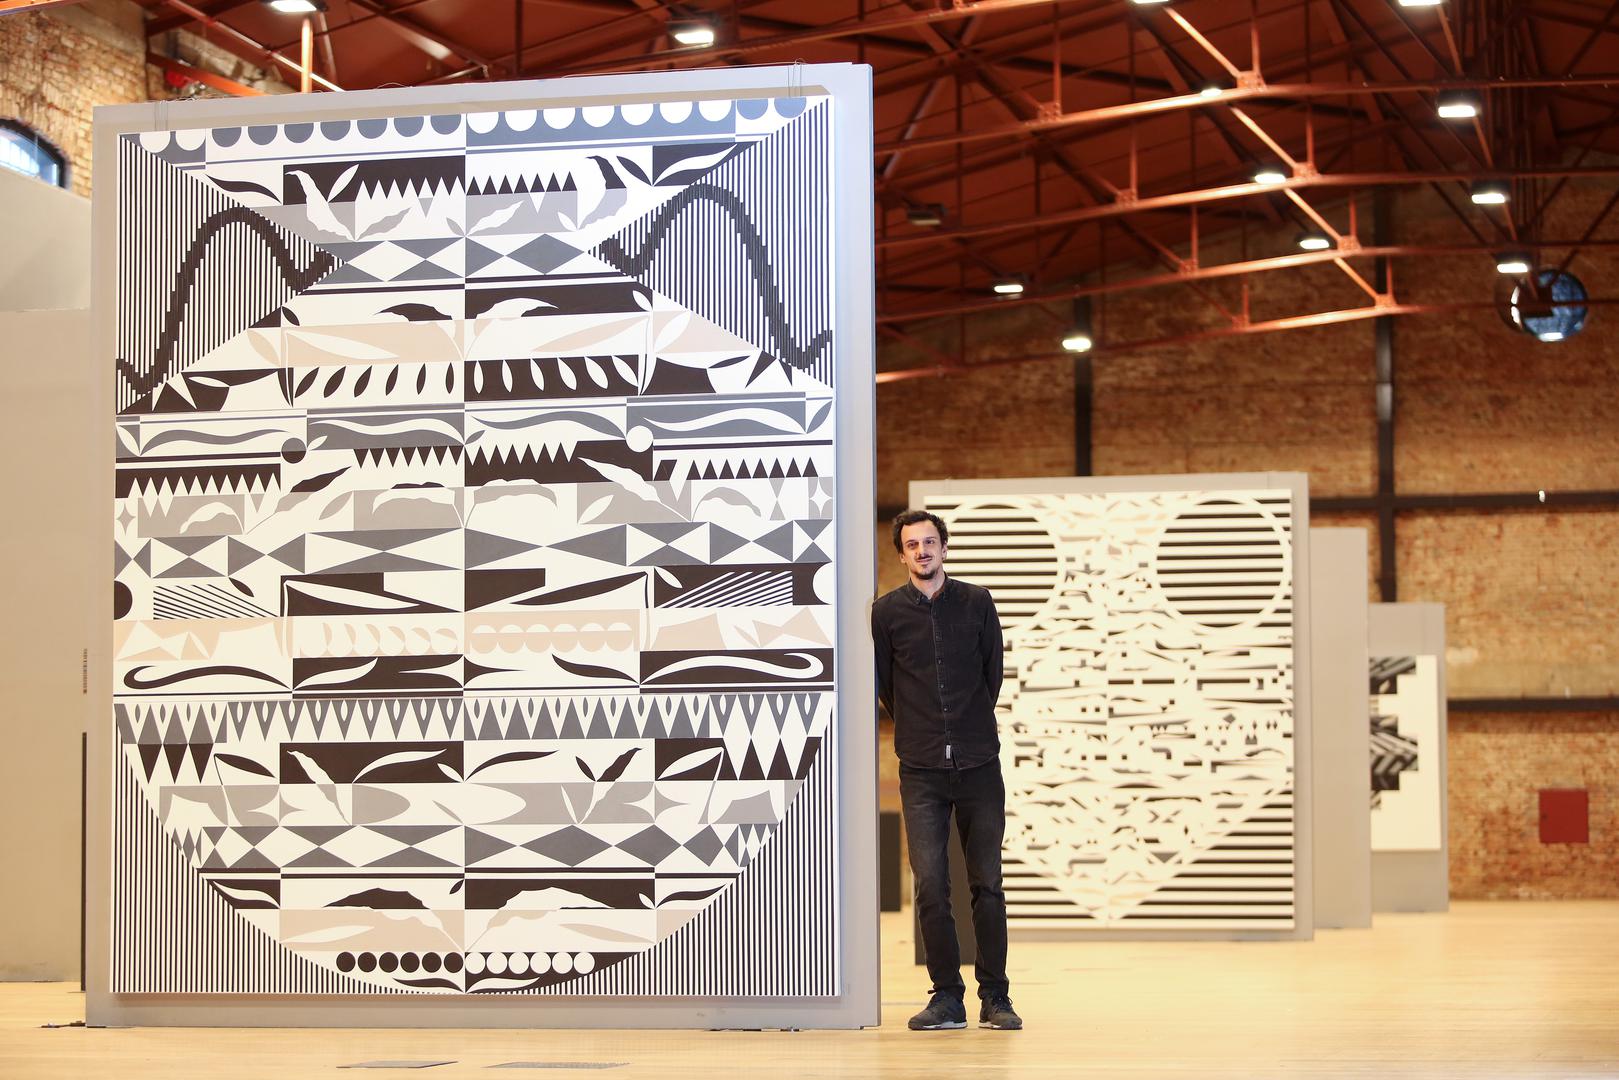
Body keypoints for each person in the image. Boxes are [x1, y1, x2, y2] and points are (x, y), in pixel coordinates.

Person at [871, 509, 1021, 1032]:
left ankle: (995, 997)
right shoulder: (886, 613)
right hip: (921, 769)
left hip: (979, 763)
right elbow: (886, 687)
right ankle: (947, 998)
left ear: (944, 548)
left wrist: (965, 726)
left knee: (988, 883)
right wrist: (925, 730)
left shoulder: (977, 602)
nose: (922, 550)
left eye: (930, 541)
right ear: (902, 555)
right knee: (931, 885)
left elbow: (992, 674)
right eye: (912, 544)